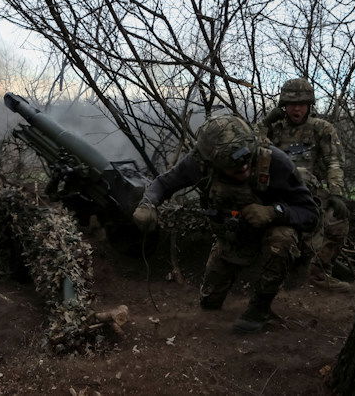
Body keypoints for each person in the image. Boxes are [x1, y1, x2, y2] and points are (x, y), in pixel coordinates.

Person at [132, 115, 319, 333]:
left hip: (271, 232)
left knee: (282, 239)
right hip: (232, 236)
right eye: (235, 169)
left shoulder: (276, 162)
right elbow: (164, 183)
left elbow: (310, 214)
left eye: (247, 164)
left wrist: (272, 212)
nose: (244, 170)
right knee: (209, 304)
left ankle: (259, 309)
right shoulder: (200, 163)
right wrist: (147, 205)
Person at [260, 78, 351, 292]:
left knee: (337, 221)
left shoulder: (321, 128)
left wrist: (336, 193)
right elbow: (252, 147)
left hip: (311, 193)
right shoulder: (274, 129)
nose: (297, 109)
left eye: (301, 104)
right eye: (292, 104)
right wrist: (264, 123)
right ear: (284, 106)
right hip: (278, 193)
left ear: (309, 105)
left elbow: (334, 162)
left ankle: (318, 274)